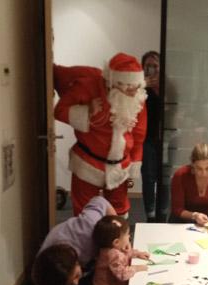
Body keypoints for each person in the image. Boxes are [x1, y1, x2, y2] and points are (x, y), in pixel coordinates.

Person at [53, 52, 148, 216]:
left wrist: (134, 164)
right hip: (88, 164)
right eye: (129, 88)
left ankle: (116, 241)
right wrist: (87, 111)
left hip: (120, 165)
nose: (134, 92)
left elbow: (139, 134)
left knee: (119, 211)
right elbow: (59, 111)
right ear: (113, 82)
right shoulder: (87, 86)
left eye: (137, 87)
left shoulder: (137, 98)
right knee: (85, 213)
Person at [170, 143, 208, 224]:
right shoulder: (181, 175)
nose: (204, 174)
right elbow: (177, 209)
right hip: (182, 222)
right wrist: (195, 215)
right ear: (192, 164)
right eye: (199, 168)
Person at [140, 51, 162, 222]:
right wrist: (142, 86)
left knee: (165, 176)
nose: (152, 69)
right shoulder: (138, 87)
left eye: (155, 66)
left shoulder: (168, 85)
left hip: (167, 137)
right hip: (145, 138)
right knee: (148, 177)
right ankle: (151, 215)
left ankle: (163, 212)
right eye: (148, 66)